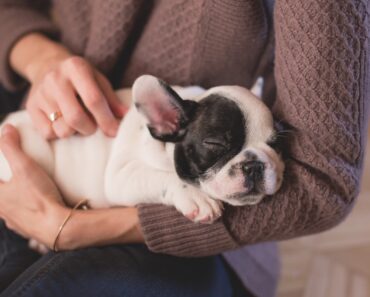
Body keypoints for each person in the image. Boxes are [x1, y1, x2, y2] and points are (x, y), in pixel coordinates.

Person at [0, 0, 368, 296]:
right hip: (34, 143)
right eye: (218, 147)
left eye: (272, 146)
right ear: (164, 122)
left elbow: (324, 180)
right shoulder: (164, 125)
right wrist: (41, 58)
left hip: (194, 246)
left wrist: (71, 229)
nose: (254, 165)